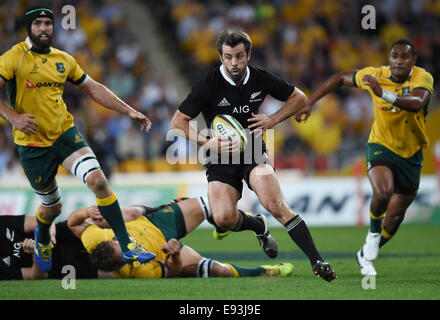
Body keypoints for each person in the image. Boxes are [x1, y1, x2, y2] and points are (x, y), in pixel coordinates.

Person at [170, 29, 336, 282]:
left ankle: (318, 261)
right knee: (223, 218)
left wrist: (273, 119)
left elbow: (299, 98)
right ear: (221, 57)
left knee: (276, 205)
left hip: (254, 150)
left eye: (238, 56)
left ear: (248, 54)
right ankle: (259, 226)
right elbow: (178, 122)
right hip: (220, 156)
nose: (233, 63)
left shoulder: (261, 79)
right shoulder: (208, 84)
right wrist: (207, 141)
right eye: (227, 57)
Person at [0, 6, 155, 273]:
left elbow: (93, 87)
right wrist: (12, 117)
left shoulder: (63, 59)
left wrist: (127, 109)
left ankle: (127, 244)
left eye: (48, 23)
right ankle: (42, 238)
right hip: (33, 146)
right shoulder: (14, 57)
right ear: (29, 28)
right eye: (38, 24)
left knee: (98, 180)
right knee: (52, 207)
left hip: (65, 134)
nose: (44, 28)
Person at [297, 39, 434, 276]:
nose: (399, 61)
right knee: (383, 192)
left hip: (412, 153)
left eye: (405, 57)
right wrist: (310, 103)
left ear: (413, 61)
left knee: (394, 219)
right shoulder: (374, 75)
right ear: (389, 59)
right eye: (395, 56)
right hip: (380, 146)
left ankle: (366, 251)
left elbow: (417, 103)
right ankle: (372, 232)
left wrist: (384, 94)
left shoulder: (422, 78)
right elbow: (340, 78)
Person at [67, 197, 293, 278]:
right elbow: (172, 271)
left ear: (110, 241)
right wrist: (174, 255)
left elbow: (72, 222)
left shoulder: (93, 237)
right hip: (167, 247)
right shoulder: (139, 271)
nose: (129, 251)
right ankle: (268, 271)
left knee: (211, 205)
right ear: (121, 265)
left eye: (121, 245)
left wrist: (87, 212)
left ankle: (228, 224)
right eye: (125, 257)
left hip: (153, 221)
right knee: (220, 271)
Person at [0, 214, 102, 280]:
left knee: (85, 225)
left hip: (60, 237)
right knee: (105, 268)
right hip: (58, 265)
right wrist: (36, 254)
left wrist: (51, 235)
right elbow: (36, 277)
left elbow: (44, 220)